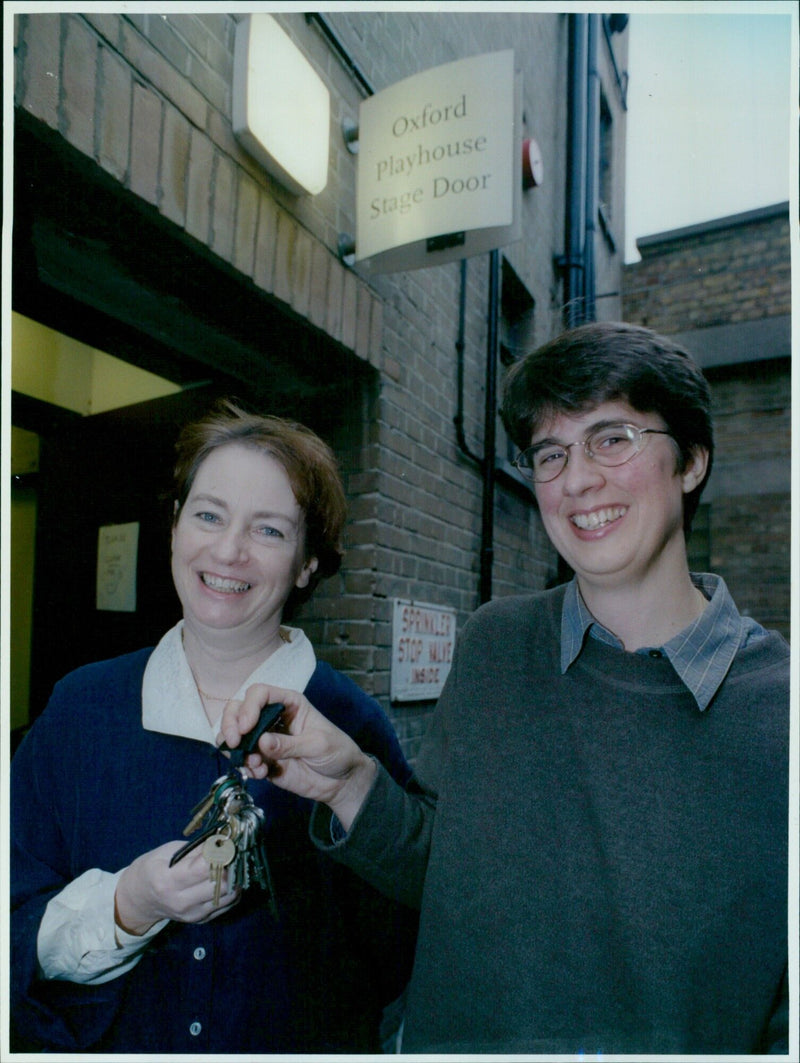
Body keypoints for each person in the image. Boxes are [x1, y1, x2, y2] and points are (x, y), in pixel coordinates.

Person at [220, 323, 790, 1055]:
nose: (577, 478)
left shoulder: (779, 713)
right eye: (551, 453)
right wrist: (351, 783)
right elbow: (446, 872)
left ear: (691, 461)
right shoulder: (495, 644)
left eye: (612, 438)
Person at [10, 398, 417, 1054]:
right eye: (208, 515)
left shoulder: (353, 727)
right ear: (173, 525)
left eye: (269, 530)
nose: (228, 550)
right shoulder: (78, 710)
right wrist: (127, 905)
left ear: (309, 561)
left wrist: (356, 796)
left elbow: (406, 954)